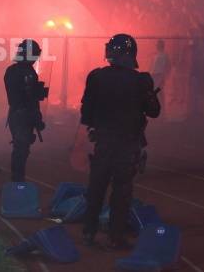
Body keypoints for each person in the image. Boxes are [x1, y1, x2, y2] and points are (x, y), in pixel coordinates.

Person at [81, 34, 160, 250]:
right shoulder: (141, 80)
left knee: (96, 187)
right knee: (122, 191)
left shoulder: (96, 76)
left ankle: (89, 231)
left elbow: (86, 113)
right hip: (127, 144)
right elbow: (154, 111)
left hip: (103, 142)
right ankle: (116, 236)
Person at [3, 39, 49, 182]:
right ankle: (17, 181)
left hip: (16, 114)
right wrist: (37, 117)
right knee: (21, 149)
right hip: (23, 115)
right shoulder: (27, 73)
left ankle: (17, 179)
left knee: (20, 148)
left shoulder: (12, 70)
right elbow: (30, 99)